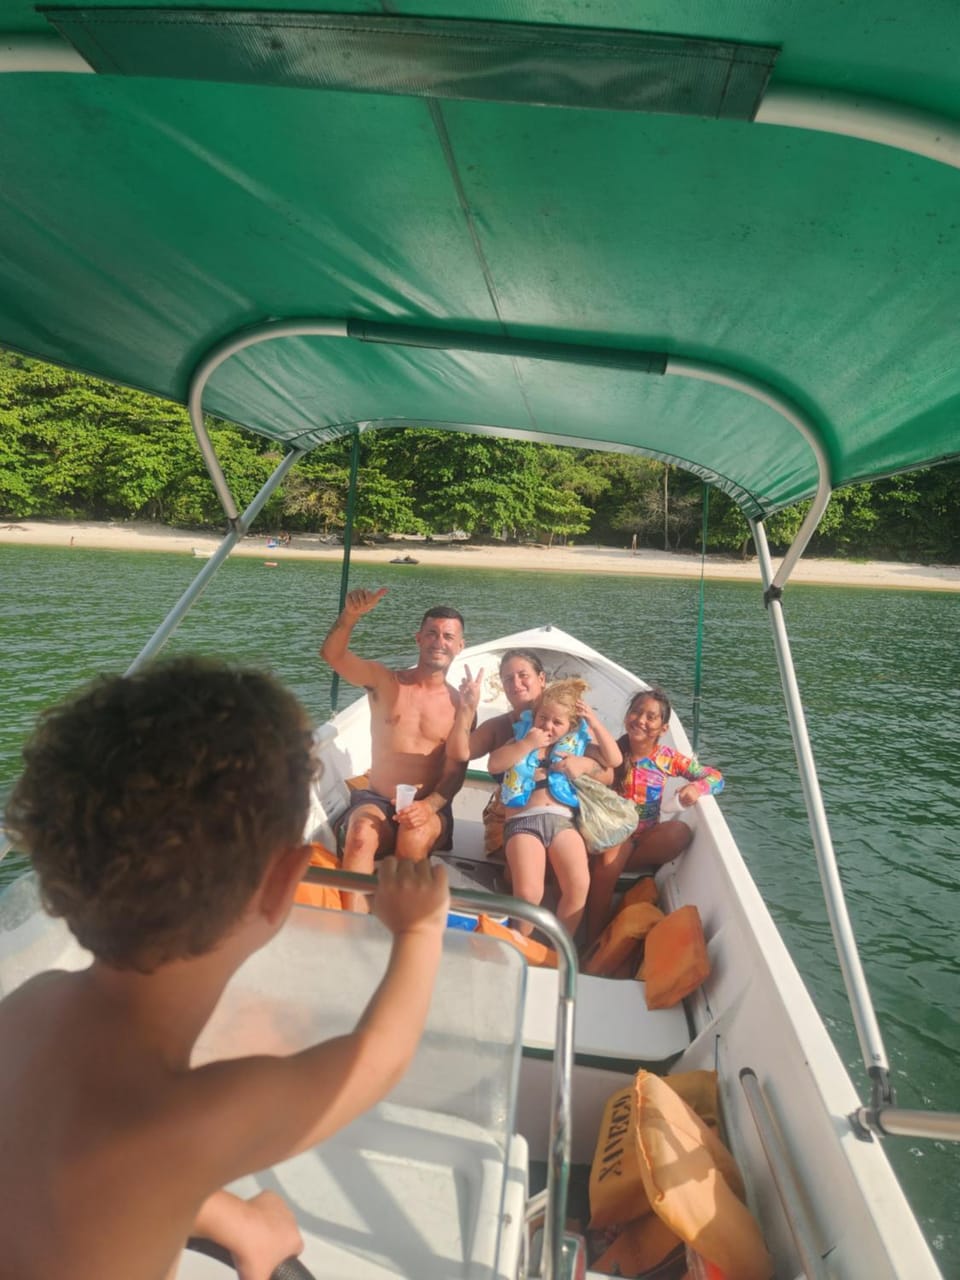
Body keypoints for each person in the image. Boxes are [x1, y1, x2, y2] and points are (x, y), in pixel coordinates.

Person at [0, 656, 450, 1280]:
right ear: (284, 884)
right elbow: (377, 1058)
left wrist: (231, 1220)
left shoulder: (31, 1006)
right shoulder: (198, 1116)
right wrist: (420, 929)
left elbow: (70, 1161)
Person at [320, 588, 467, 912]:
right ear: (418, 638)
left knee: (414, 837)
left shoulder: (461, 705)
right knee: (360, 836)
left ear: (460, 646)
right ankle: (352, 926)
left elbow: (457, 770)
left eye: (448, 636)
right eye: (431, 633)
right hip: (376, 801)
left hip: (429, 809)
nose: (438, 642)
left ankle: (396, 922)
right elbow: (332, 655)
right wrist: (350, 616)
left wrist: (428, 806)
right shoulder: (385, 682)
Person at [487, 677, 622, 940]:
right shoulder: (519, 741)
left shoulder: (579, 748)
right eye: (543, 718)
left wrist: (594, 723)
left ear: (571, 726)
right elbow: (494, 764)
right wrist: (527, 744)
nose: (548, 726)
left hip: (563, 824)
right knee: (529, 892)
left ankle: (558, 947)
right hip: (523, 823)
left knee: (578, 886)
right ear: (534, 716)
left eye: (557, 722)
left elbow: (614, 759)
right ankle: (520, 943)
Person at [585, 686, 723, 942]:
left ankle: (610, 865)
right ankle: (592, 937)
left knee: (679, 833)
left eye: (651, 717)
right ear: (627, 716)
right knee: (609, 861)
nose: (641, 720)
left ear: (663, 728)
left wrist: (697, 788)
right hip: (614, 833)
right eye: (636, 712)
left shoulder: (667, 759)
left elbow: (715, 777)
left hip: (645, 837)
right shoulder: (611, 752)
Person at [446, 648, 549, 856]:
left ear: (541, 679)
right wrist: (467, 708)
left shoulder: (564, 720)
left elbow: (605, 771)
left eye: (523, 675)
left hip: (560, 813)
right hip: (509, 817)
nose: (516, 683)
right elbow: (459, 753)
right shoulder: (498, 727)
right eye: (508, 679)